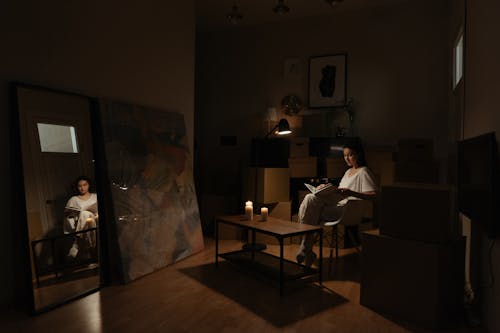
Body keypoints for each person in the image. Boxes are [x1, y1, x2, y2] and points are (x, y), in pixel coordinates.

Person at [296, 142, 378, 267]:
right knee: (310, 197)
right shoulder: (347, 172)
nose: (347, 158)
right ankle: (306, 248)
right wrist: (325, 189)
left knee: (312, 210)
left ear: (358, 155)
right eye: (345, 155)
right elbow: (339, 193)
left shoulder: (364, 171)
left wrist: (351, 192)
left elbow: (374, 196)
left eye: (350, 155)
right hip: (338, 204)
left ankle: (305, 247)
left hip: (349, 210)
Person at [64, 176, 98, 258]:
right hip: (82, 223)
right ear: (77, 187)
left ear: (89, 185)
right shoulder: (73, 200)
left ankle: (76, 244)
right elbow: (68, 216)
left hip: (97, 220)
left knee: (86, 214)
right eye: (80, 186)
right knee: (84, 214)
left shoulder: (96, 196)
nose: (82, 188)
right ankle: (91, 249)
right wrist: (73, 215)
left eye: (85, 185)